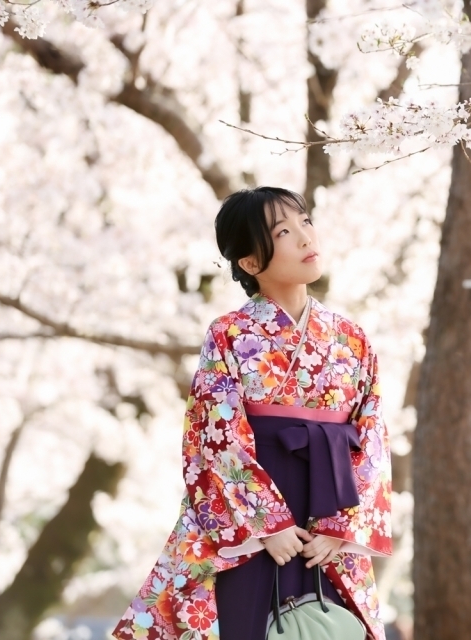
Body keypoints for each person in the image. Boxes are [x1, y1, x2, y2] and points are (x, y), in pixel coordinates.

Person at [112, 187, 392, 640]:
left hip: (330, 526)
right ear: (249, 262)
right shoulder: (229, 334)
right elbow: (214, 435)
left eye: (306, 222)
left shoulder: (352, 339)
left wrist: (342, 529)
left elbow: (372, 435)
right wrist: (266, 522)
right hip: (248, 527)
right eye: (284, 231)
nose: (305, 238)